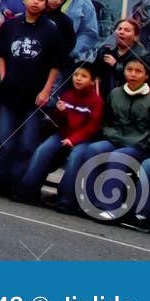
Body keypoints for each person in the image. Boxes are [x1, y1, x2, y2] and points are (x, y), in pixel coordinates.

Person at [57, 56, 150, 215]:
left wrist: (144, 143)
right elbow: (106, 122)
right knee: (93, 149)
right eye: (129, 70)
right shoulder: (115, 93)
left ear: (146, 76)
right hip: (115, 140)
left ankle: (110, 206)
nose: (133, 74)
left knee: (118, 157)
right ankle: (87, 201)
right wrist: (113, 136)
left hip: (140, 146)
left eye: (138, 71)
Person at [0, 0, 67, 195]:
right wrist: (3, 76)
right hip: (9, 93)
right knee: (6, 141)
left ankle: (19, 186)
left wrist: (46, 91)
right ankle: (0, 183)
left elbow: (56, 64)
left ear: (45, 3)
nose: (35, 2)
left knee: (27, 144)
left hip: (35, 97)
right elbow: (0, 53)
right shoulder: (10, 25)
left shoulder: (51, 29)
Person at [17, 62, 104, 204]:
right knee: (43, 150)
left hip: (83, 139)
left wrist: (73, 140)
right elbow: (61, 122)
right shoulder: (67, 95)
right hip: (63, 134)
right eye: (76, 75)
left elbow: (92, 127)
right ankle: (28, 189)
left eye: (84, 76)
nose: (78, 79)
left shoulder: (97, 101)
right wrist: (60, 112)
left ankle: (66, 198)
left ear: (93, 81)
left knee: (75, 157)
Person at [96, 18, 150, 96]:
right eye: (119, 29)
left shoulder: (143, 56)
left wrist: (116, 66)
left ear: (135, 37)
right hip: (108, 99)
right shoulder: (106, 51)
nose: (121, 32)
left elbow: (145, 79)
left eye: (127, 30)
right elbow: (97, 75)